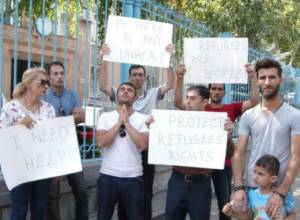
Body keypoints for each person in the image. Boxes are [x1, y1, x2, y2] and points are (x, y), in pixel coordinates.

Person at [99, 43, 175, 220]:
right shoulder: (122, 92)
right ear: (129, 77)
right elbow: (103, 85)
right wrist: (103, 59)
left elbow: (170, 84)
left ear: (145, 77)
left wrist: (169, 60)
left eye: (141, 75)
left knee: (144, 192)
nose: (137, 78)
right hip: (122, 147)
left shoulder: (153, 93)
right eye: (134, 75)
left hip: (145, 146)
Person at [231, 58, 300, 219]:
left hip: (277, 189)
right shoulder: (248, 115)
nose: (267, 82)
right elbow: (238, 153)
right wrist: (238, 187)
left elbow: (296, 157)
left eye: (272, 77)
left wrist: (281, 193)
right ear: (257, 81)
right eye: (262, 78)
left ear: (281, 80)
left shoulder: (295, 116)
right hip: (250, 187)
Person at [168, 64, 234, 220]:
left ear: (205, 102)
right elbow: (163, 141)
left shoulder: (216, 124)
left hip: (200, 184)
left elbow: (229, 153)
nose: (187, 102)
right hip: (177, 180)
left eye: (192, 98)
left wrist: (228, 137)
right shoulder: (177, 120)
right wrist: (154, 125)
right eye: (187, 98)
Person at [203, 64, 259, 220]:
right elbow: (180, 103)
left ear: (224, 91)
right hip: (203, 162)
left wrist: (252, 77)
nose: (216, 91)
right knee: (201, 202)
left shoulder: (231, 107)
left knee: (224, 203)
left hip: (225, 163)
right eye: (213, 88)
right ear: (209, 91)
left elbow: (254, 101)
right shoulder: (201, 108)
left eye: (220, 89)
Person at [0, 67, 55, 220]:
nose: (46, 86)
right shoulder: (10, 108)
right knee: (19, 210)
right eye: (43, 82)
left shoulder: (49, 109)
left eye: (48, 83)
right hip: (19, 168)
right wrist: (18, 127)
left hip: (42, 167)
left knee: (40, 208)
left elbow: (53, 139)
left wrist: (56, 167)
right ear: (29, 84)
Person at [96, 82, 149, 220]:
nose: (125, 92)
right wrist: (119, 123)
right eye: (122, 90)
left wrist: (127, 124)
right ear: (117, 95)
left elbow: (143, 145)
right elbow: (101, 142)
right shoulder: (105, 117)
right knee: (103, 216)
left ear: (136, 96)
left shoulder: (143, 119)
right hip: (108, 176)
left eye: (129, 90)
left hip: (133, 177)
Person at [43, 61, 88, 220]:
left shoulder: (72, 95)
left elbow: (82, 117)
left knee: (82, 191)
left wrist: (59, 120)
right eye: (55, 74)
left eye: (61, 73)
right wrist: (71, 117)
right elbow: (44, 123)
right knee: (52, 196)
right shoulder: (43, 98)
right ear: (49, 77)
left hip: (71, 149)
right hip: (51, 151)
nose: (59, 77)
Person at [223, 154, 296, 220]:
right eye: (255, 172)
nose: (255, 177)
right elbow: (249, 216)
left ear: (273, 179)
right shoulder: (252, 194)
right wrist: (232, 213)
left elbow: (293, 216)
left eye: (260, 174)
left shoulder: (283, 196)